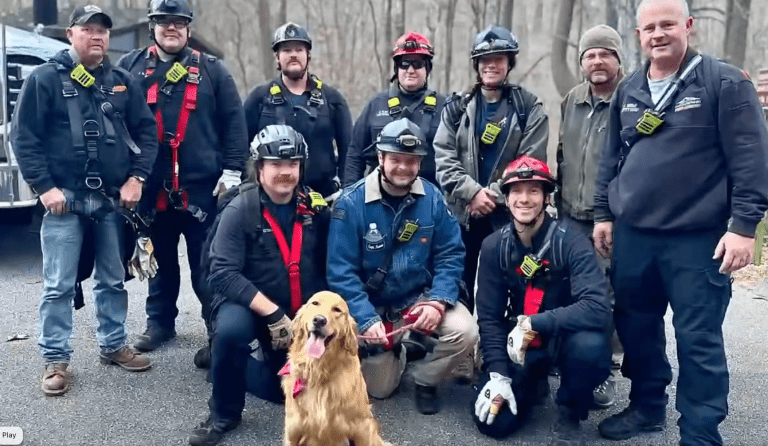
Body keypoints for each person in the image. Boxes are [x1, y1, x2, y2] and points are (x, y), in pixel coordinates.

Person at [593, 0, 768, 443]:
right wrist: (603, 214)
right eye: (648, 27)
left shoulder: (724, 82)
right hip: (635, 237)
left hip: (699, 240)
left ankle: (701, 431)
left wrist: (743, 226)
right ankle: (648, 408)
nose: (658, 34)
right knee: (636, 327)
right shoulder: (629, 90)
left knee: (698, 339)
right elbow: (610, 159)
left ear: (688, 26)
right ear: (638, 36)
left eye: (667, 24)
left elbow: (751, 161)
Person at [12, 5, 158, 396]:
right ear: (69, 35)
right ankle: (55, 359)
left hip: (112, 202)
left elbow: (147, 133)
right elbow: (24, 138)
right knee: (58, 285)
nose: (98, 36)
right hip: (65, 202)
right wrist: (44, 187)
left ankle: (113, 345)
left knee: (112, 279)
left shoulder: (123, 81)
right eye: (88, 29)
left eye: (103, 31)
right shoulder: (44, 80)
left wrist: (137, 178)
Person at [117, 0, 248, 358]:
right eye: (163, 22)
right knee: (158, 262)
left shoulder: (213, 71)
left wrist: (234, 171)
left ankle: (215, 329)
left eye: (178, 22)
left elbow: (234, 124)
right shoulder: (129, 68)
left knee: (208, 264)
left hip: (202, 190)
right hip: (150, 189)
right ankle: (160, 323)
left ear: (189, 28)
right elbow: (113, 121)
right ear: (152, 27)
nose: (170, 28)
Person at [188, 125, 330, 446]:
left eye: (292, 164)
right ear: (260, 167)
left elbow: (331, 268)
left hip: (300, 313)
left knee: (285, 393)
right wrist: (274, 315)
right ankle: (224, 411)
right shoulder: (240, 208)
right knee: (231, 332)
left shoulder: (315, 208)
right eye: (276, 165)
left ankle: (226, 364)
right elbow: (222, 273)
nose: (285, 172)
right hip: (252, 307)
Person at [327, 118, 478, 415]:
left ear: (420, 163)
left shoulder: (432, 197)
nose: (403, 168)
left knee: (465, 331)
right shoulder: (350, 203)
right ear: (381, 158)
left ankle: (425, 380)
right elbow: (340, 273)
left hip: (417, 298)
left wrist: (437, 302)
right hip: (372, 306)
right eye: (395, 159)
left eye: (412, 161)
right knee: (380, 389)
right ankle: (404, 349)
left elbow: (451, 254)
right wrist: (367, 319)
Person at [473, 155, 611, 445]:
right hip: (519, 343)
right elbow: (489, 316)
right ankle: (530, 382)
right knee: (494, 424)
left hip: (563, 338)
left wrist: (536, 322)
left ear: (547, 198)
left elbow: (598, 308)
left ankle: (571, 411)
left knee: (590, 347)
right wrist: (498, 373)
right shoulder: (494, 246)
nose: (524, 199)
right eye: (517, 191)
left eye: (534, 190)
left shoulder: (571, 241)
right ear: (506, 198)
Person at [434, 25, 548, 311]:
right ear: (476, 64)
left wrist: (494, 196)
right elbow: (443, 156)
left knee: (509, 291)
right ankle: (461, 354)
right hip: (463, 217)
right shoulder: (457, 107)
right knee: (458, 294)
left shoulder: (528, 107)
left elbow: (531, 161)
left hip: (510, 218)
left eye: (499, 58)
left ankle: (502, 352)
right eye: (485, 59)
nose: (491, 65)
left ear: (510, 63)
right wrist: (472, 193)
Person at [556, 24, 624, 409]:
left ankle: (607, 370)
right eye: (589, 55)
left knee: (607, 297)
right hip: (570, 215)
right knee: (568, 290)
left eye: (604, 53)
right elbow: (563, 156)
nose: (597, 61)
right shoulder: (572, 99)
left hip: (611, 220)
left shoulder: (631, 97)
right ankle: (569, 359)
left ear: (618, 58)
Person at [244, 22, 352, 198]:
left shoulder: (332, 99)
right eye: (286, 50)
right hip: (270, 201)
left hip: (324, 200)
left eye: (299, 50)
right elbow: (240, 147)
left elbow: (349, 152)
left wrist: (347, 193)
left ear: (308, 55)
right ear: (277, 57)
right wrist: (248, 189)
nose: (293, 55)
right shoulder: (259, 99)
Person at [343, 31, 446, 188]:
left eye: (418, 64)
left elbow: (456, 159)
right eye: (405, 64)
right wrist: (350, 196)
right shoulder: (375, 105)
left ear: (427, 69)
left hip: (429, 198)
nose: (410, 70)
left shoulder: (444, 107)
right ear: (397, 68)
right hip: (379, 197)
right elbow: (354, 155)